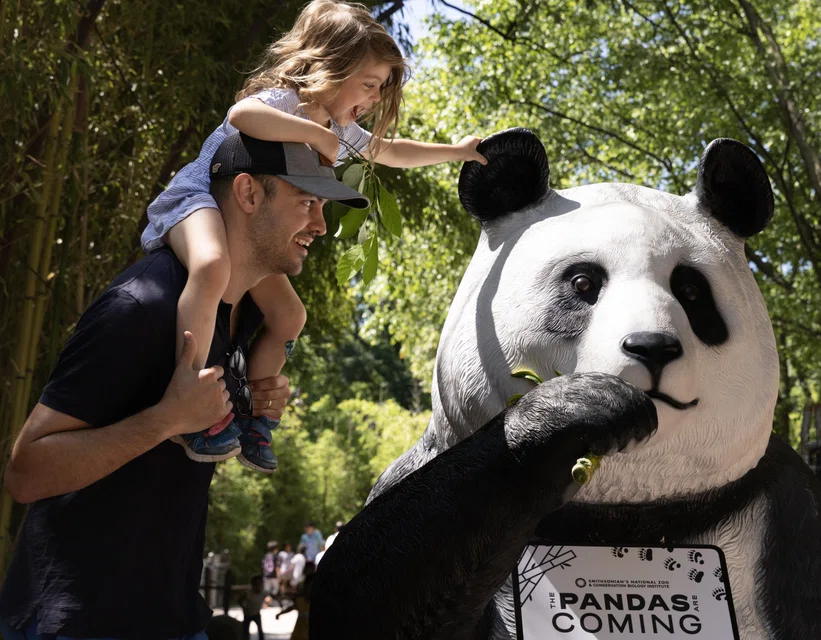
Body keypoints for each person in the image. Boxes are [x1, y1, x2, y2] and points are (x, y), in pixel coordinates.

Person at [0, 132, 367, 638]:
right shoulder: (143, 307)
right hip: (77, 620)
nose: (321, 226)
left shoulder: (244, 321)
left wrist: (252, 403)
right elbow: (25, 472)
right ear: (248, 193)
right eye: (306, 202)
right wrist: (164, 420)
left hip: (172, 616)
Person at [140, 0, 487, 473]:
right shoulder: (284, 101)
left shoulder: (341, 127)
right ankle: (188, 392)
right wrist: (317, 136)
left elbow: (391, 151)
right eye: (368, 84)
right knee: (210, 267)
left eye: (380, 90)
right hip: (199, 198)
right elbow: (242, 115)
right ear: (335, 65)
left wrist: (457, 151)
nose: (372, 99)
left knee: (289, 315)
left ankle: (253, 417)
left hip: (244, 224)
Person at [277, 563, 315, 640]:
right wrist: (280, 613)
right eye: (308, 587)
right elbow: (293, 607)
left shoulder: (319, 604)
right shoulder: (300, 600)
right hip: (298, 635)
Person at [240, 575, 270, 640]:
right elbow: (240, 600)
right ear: (253, 585)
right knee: (245, 631)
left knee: (260, 631)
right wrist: (244, 608)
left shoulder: (264, 592)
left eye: (260, 584)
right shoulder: (248, 593)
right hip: (247, 614)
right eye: (257, 585)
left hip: (256, 614)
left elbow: (273, 596)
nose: (258, 586)